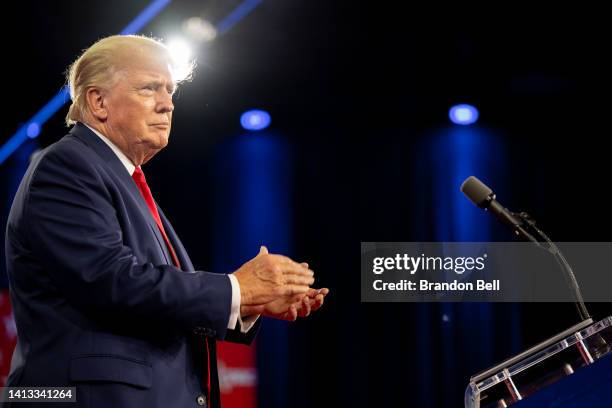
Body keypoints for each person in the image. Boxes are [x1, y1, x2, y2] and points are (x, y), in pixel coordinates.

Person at [3, 35, 329, 408]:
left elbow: (149, 300)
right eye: (149, 88)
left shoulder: (120, 178)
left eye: (170, 91)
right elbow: (112, 281)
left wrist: (248, 303)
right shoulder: (66, 166)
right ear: (98, 101)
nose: (167, 104)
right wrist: (236, 290)